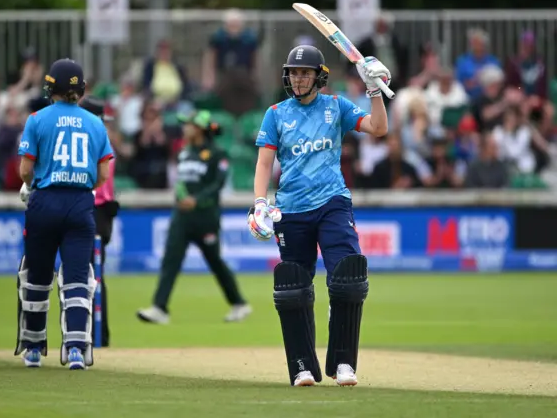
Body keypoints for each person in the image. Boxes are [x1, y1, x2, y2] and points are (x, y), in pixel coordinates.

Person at [248, 45, 390, 387]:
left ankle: (344, 364)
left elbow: (378, 128)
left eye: (304, 73)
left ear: (319, 77)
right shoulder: (276, 113)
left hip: (332, 202)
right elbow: (265, 163)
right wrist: (259, 202)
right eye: (294, 73)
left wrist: (374, 90)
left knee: (348, 278)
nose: (298, 79)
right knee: (293, 287)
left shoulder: (336, 106)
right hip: (292, 209)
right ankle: (302, 367)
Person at [14, 58, 114, 370]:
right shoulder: (95, 123)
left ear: (49, 87)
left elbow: (26, 168)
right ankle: (74, 349)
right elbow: (103, 175)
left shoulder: (37, 119)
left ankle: (32, 347)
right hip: (80, 205)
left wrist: (32, 185)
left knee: (37, 276)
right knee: (77, 278)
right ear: (81, 90)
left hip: (44, 202)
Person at [137, 110, 251, 324]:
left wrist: (196, 200)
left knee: (215, 261)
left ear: (200, 128)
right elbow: (180, 182)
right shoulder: (184, 152)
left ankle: (239, 303)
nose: (185, 128)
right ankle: (159, 308)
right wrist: (182, 198)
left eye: (189, 125)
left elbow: (217, 184)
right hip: (182, 216)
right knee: (170, 260)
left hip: (205, 217)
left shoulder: (217, 153)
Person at [79, 95, 118, 347]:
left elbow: (98, 179)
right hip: (91, 211)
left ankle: (98, 335)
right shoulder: (92, 141)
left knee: (93, 274)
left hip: (96, 211)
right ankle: (90, 334)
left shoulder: (99, 143)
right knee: (85, 274)